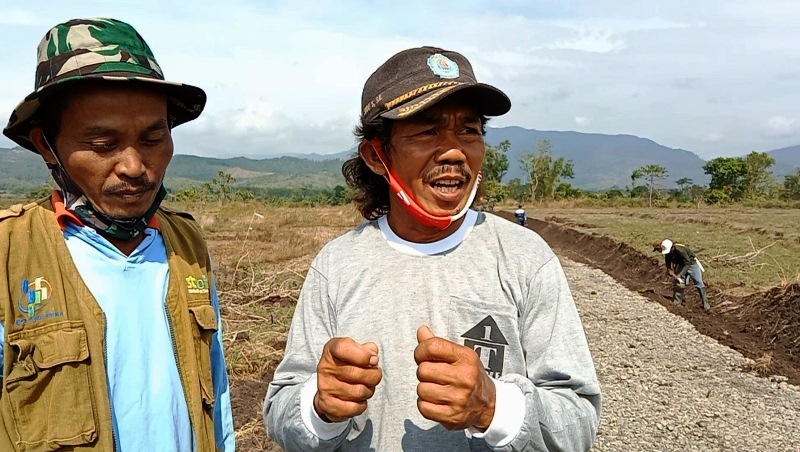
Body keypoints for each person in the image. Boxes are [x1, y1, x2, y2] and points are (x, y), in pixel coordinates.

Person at [265, 46, 600, 451]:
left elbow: (579, 421)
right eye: (427, 131)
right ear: (376, 155)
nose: (455, 151)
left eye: (469, 131)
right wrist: (320, 406)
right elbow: (281, 408)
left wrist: (493, 407)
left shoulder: (526, 259)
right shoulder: (336, 265)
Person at [0, 18, 235, 451]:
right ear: (46, 144)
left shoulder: (187, 244)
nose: (133, 166)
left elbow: (216, 396)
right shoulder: (8, 253)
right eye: (103, 145)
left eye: (153, 137)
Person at [653, 239, 710, 310]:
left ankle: (706, 305)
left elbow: (687, 264)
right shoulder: (667, 250)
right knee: (679, 283)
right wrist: (669, 268)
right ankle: (677, 303)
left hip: (691, 264)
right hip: (680, 264)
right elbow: (667, 259)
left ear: (672, 248)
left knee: (698, 282)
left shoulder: (681, 251)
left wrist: (680, 274)